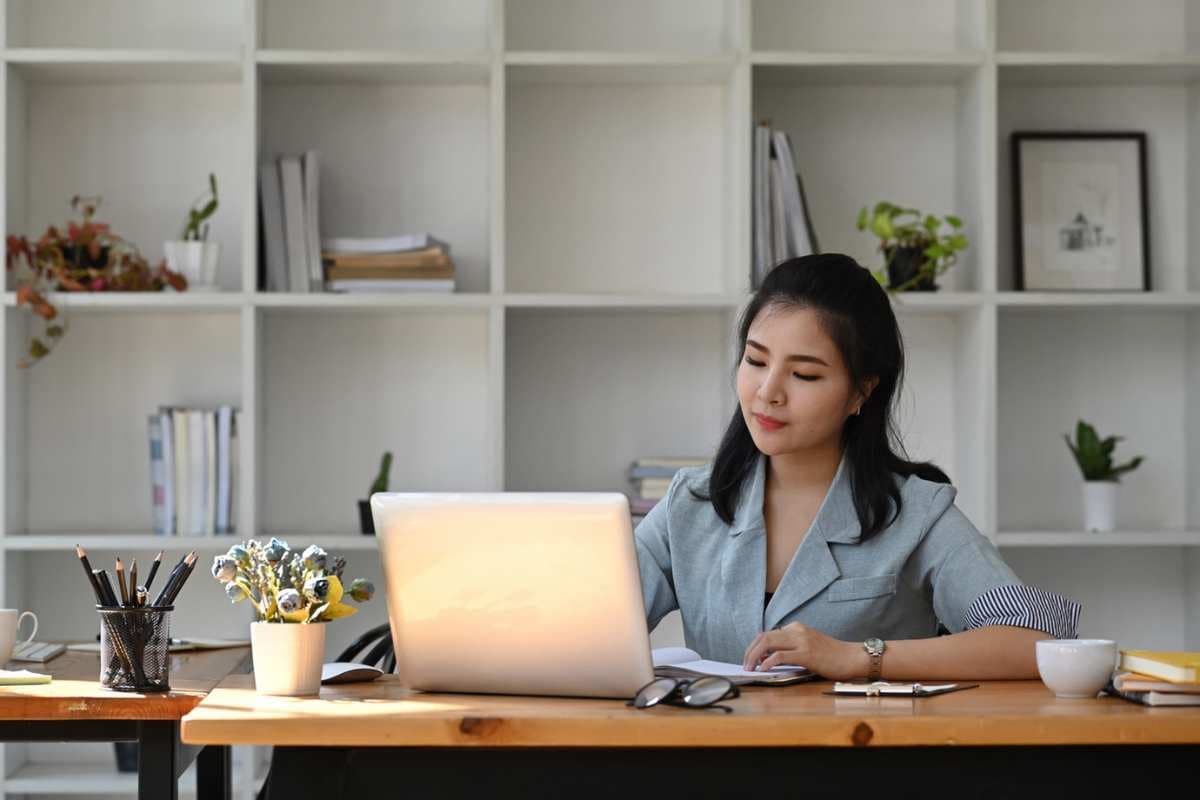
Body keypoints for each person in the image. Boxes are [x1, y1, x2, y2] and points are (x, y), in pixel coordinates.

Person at [634, 254, 1080, 681]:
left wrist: (855, 657)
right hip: (714, 755)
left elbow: (1036, 639)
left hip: (863, 754)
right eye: (755, 360)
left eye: (804, 375)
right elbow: (586, 623)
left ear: (860, 393)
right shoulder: (689, 505)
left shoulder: (915, 513)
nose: (767, 392)